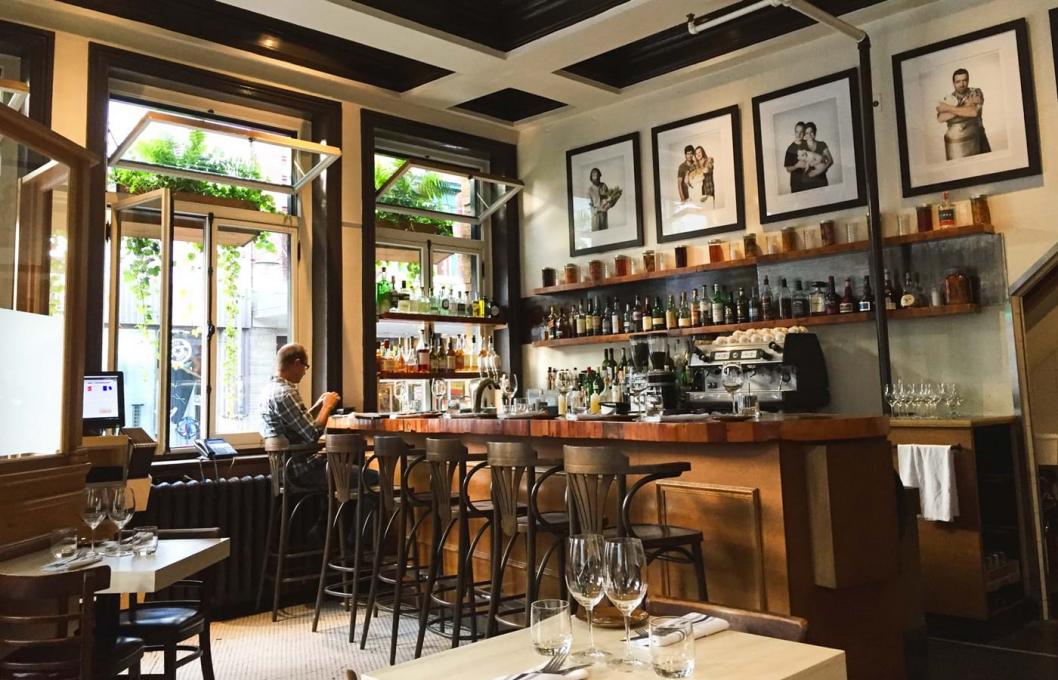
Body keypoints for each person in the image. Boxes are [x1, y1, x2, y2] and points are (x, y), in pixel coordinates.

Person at [259, 343, 340, 490]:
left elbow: (297, 424)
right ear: (297, 363)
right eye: (305, 366)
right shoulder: (286, 393)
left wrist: (318, 406)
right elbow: (312, 434)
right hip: (301, 471)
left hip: (284, 470)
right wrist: (328, 406)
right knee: (371, 477)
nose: (304, 372)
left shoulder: (269, 390)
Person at [936, 68, 990, 160]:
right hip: (955, 145)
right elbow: (941, 118)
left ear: (968, 80)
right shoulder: (948, 98)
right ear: (953, 83)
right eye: (958, 82)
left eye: (964, 80)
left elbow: (973, 112)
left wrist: (947, 108)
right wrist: (966, 106)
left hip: (977, 139)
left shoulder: (976, 92)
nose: (962, 84)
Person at [797, 122, 833, 191]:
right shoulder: (801, 146)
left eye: (811, 132)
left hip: (821, 181)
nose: (809, 135)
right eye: (807, 133)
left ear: (815, 132)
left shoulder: (822, 144)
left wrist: (820, 170)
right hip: (807, 181)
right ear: (804, 135)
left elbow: (830, 160)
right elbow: (801, 163)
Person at [587, 167, 622, 231]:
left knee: (605, 233)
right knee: (596, 233)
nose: (596, 177)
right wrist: (599, 209)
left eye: (597, 175)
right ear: (591, 177)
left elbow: (609, 200)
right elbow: (590, 207)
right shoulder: (590, 190)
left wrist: (613, 201)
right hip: (595, 217)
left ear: (600, 176)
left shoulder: (604, 186)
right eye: (594, 175)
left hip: (604, 216)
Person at [783, 121, 807, 193]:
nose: (799, 135)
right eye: (797, 132)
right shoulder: (790, 148)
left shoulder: (808, 143)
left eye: (801, 132)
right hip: (796, 184)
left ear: (804, 133)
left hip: (809, 182)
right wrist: (797, 165)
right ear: (794, 132)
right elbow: (788, 169)